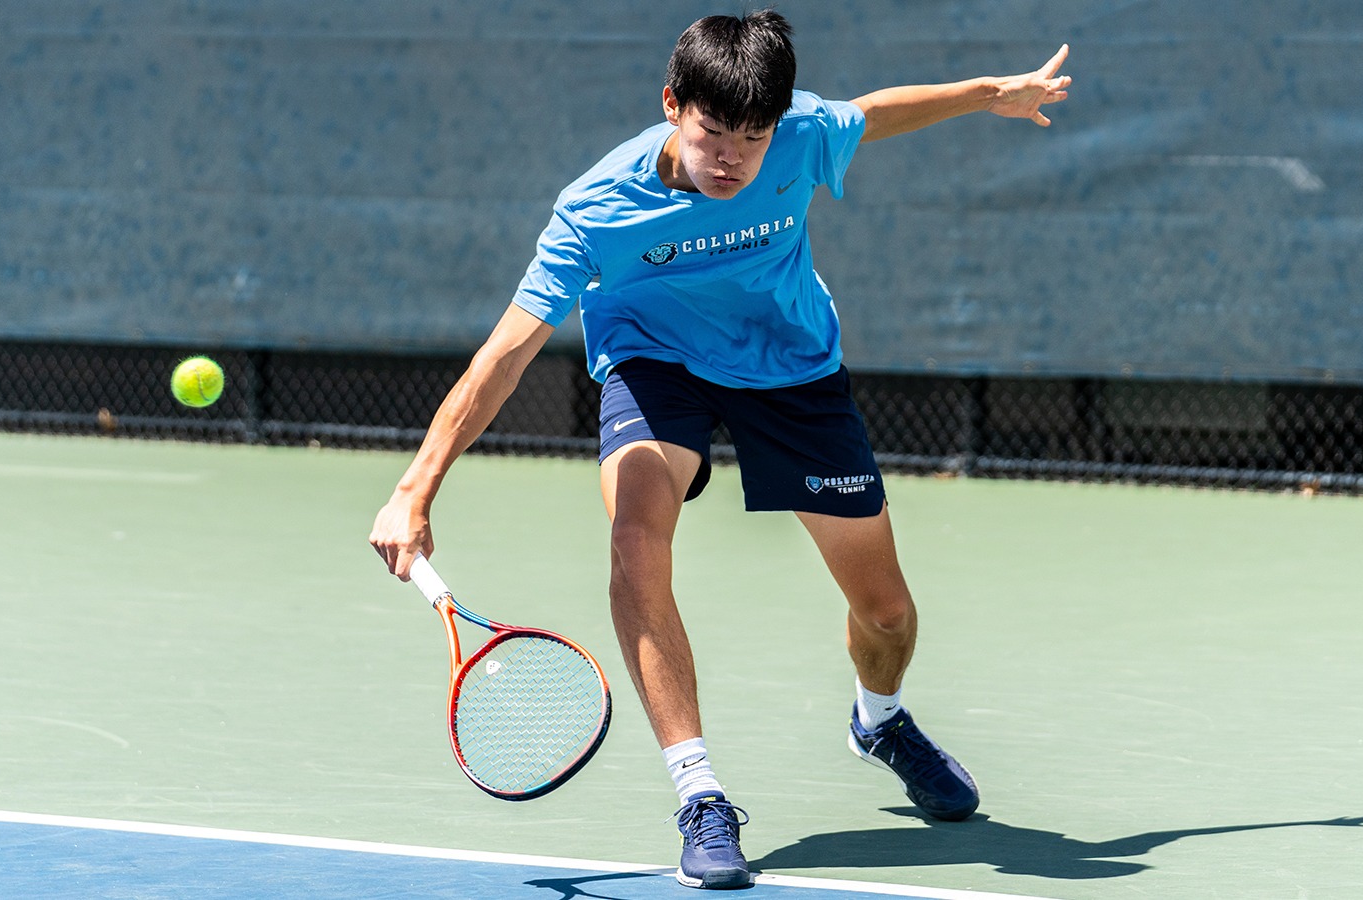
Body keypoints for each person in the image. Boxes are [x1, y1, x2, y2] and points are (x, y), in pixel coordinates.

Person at [371, 10, 1071, 890]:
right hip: (655, 365)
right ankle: (700, 795)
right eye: (713, 133)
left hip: (791, 366)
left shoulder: (802, 134)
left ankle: (880, 720)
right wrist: (415, 489)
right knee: (635, 544)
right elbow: (504, 355)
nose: (734, 157)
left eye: (754, 134)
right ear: (673, 106)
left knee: (887, 614)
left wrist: (989, 95)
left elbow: (875, 111)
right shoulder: (596, 208)